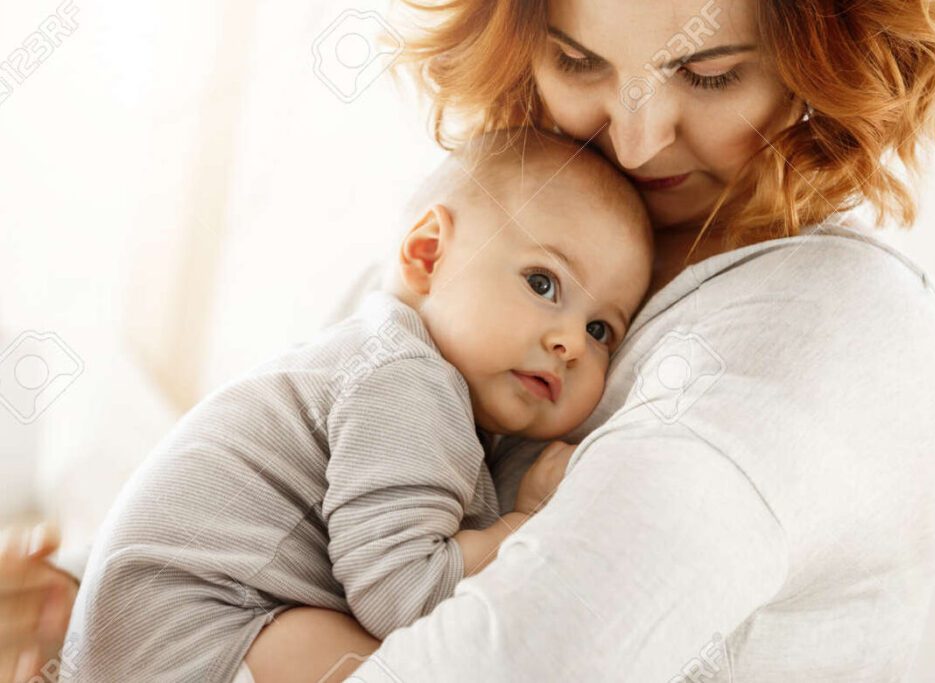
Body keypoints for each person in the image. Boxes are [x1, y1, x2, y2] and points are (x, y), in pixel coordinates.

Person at [2, 0, 935, 680]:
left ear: (827, 52)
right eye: (578, 60)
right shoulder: (476, 242)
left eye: (710, 71)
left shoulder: (820, 337)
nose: (635, 141)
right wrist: (73, 598)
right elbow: (284, 481)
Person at [62, 129, 653, 682]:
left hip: (127, 635)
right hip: (190, 634)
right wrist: (522, 527)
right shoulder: (409, 382)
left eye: (602, 330)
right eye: (543, 283)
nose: (572, 344)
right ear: (427, 254)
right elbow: (404, 595)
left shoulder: (375, 354)